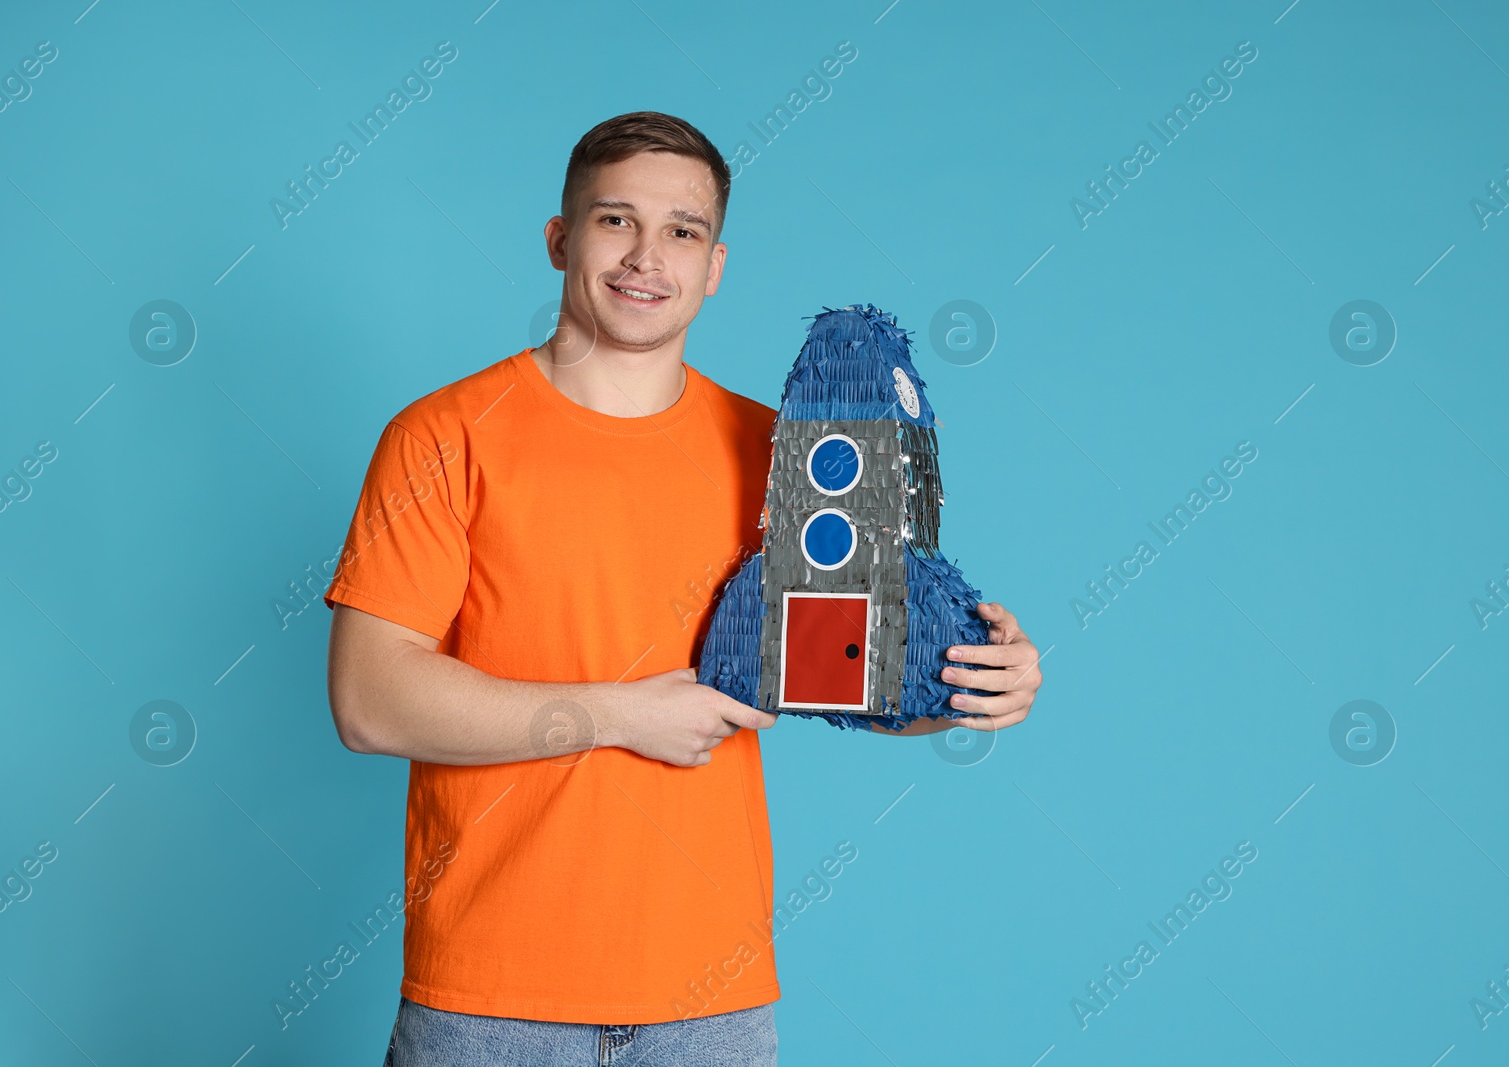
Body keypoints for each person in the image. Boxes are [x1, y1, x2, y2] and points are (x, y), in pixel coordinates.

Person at [322, 110, 1042, 1067]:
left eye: (682, 231)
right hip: (489, 1003)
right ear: (559, 239)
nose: (645, 256)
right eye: (615, 220)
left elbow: (842, 673)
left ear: (715, 265)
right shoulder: (444, 436)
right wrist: (622, 714)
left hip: (709, 1004)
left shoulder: (788, 458)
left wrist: (975, 682)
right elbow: (370, 701)